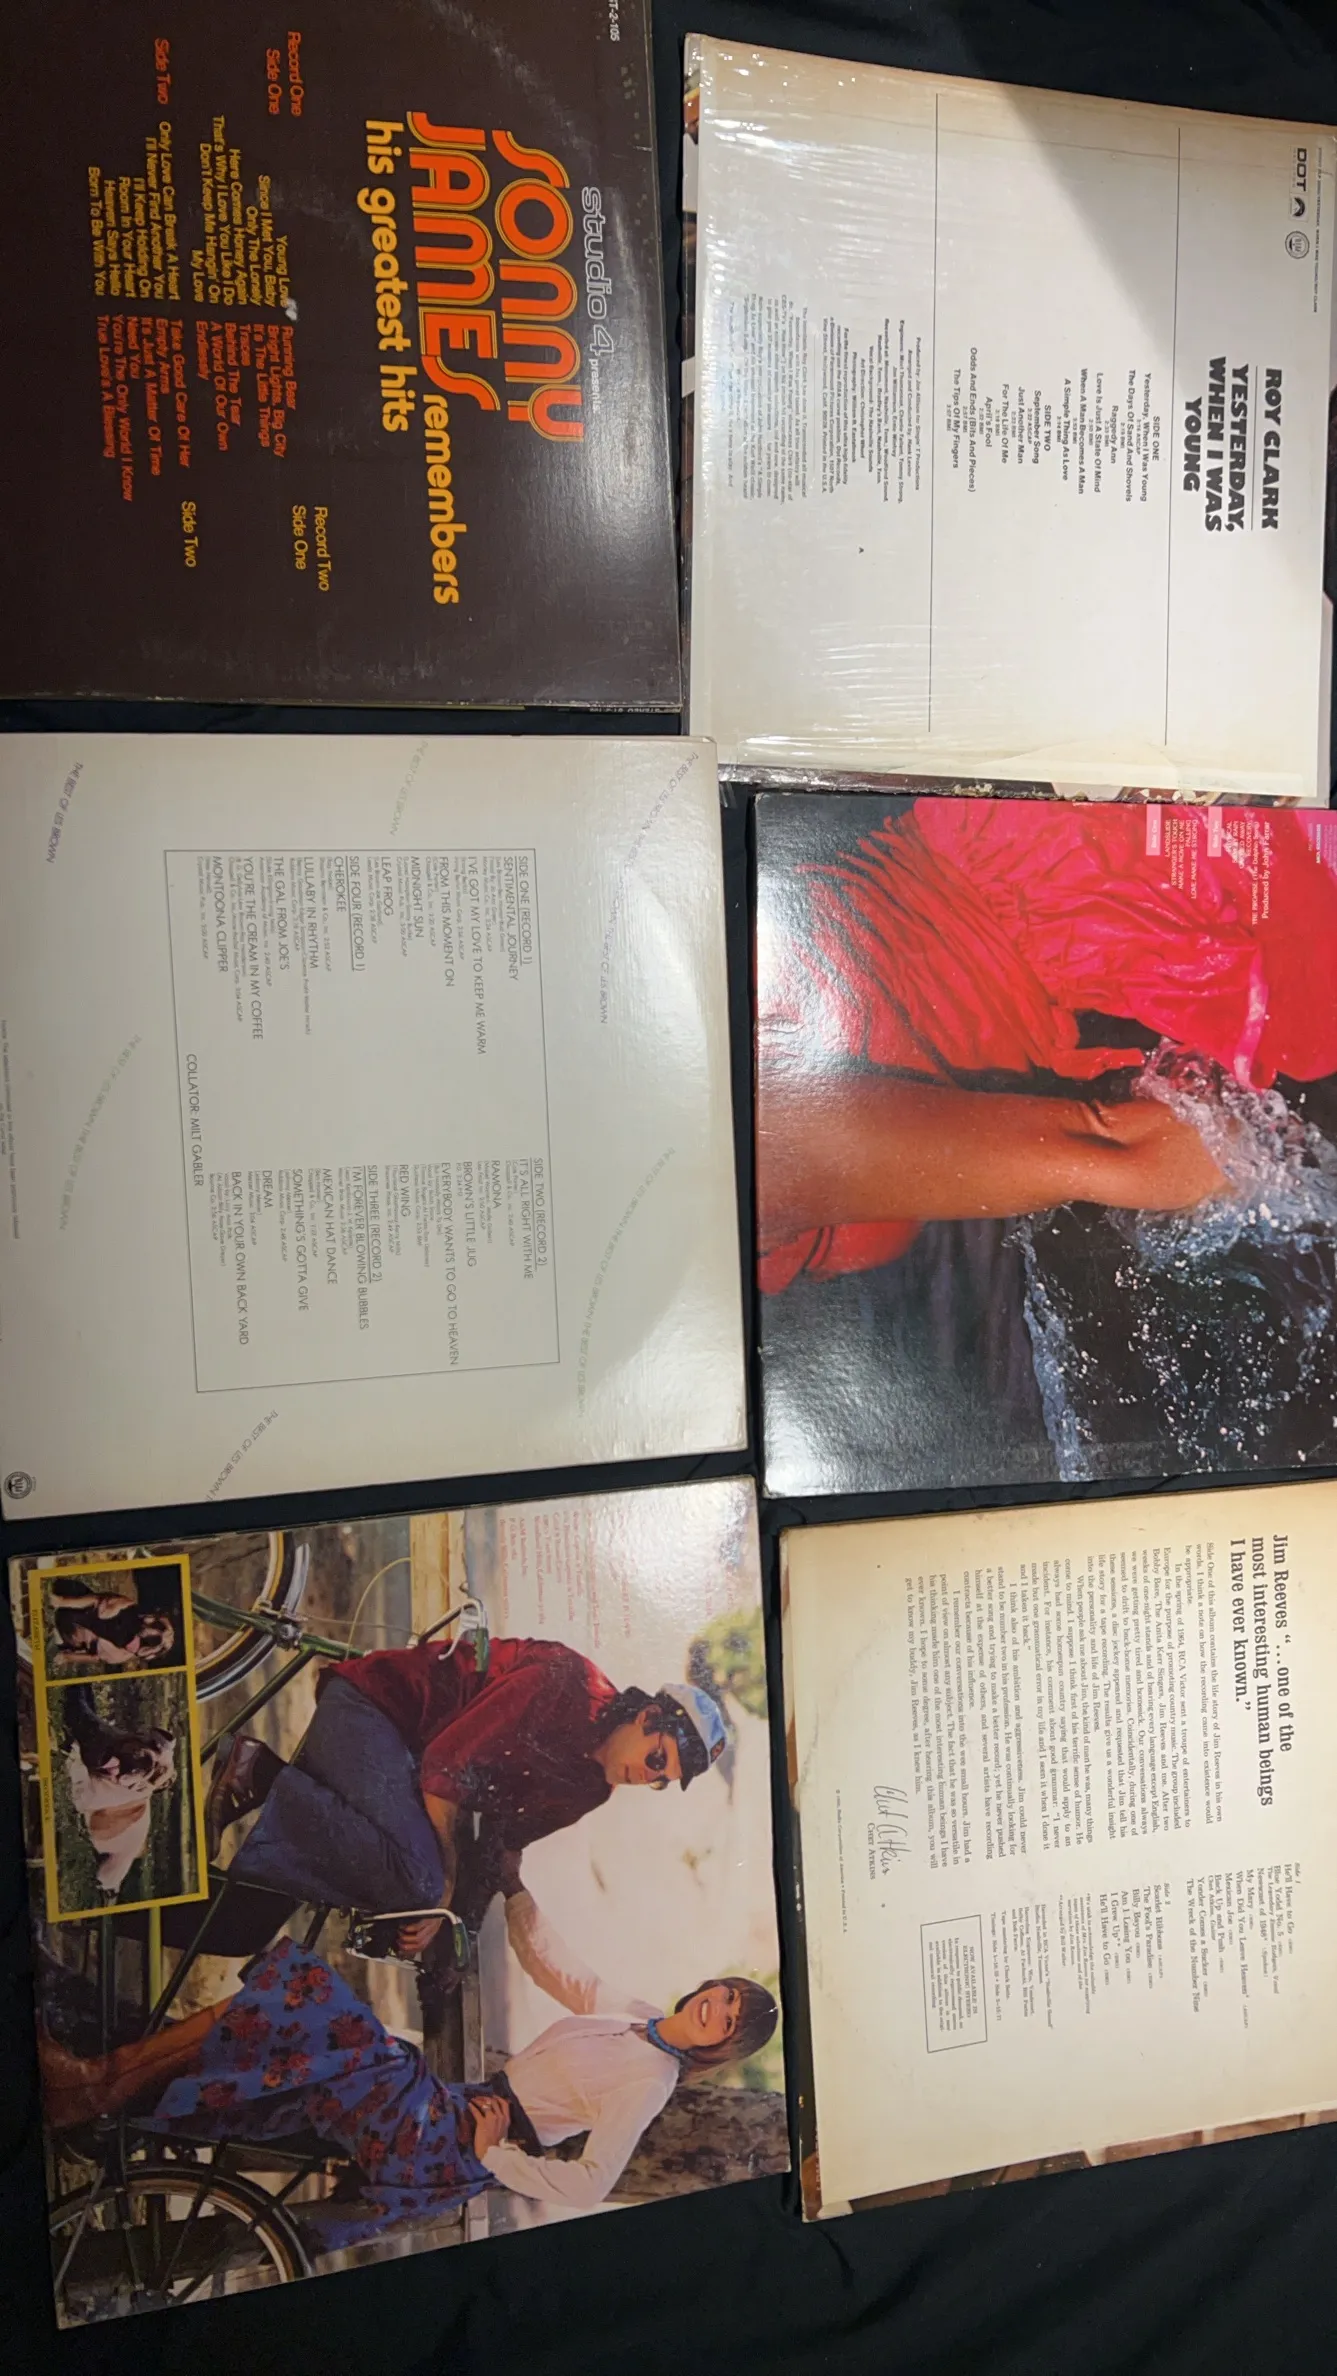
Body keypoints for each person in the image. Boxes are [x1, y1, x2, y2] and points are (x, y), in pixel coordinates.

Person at [758, 798, 1337, 1291]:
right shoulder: (749, 1244)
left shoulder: (747, 1174)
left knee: (1312, 1014)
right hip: (1047, 908)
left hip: (1053, 879)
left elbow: (1137, 1150)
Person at [37, 1933, 779, 2242]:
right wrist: (508, 1881)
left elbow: (589, 2184)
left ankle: (101, 2085)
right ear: (710, 1985)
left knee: (318, 2002)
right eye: (724, 1995)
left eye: (728, 2022)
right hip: (444, 2107)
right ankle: (107, 2088)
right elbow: (564, 1967)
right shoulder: (636, 2017)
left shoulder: (650, 2081)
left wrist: (494, 2156)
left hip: (445, 2149)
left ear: (723, 2045)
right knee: (305, 2032)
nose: (715, 2010)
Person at [202, 1635, 730, 1955]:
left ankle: (155, 1893)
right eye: (657, 1759)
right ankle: (260, 1774)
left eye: (661, 1780)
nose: (646, 1777)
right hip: (371, 1712)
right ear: (648, 1716)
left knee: (242, 1927)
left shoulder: (591, 1790)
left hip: (399, 1776)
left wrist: (459, 1927)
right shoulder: (567, 1683)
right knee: (423, 1882)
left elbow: (502, 1845)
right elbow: (445, 1768)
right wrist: (443, 1895)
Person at [61, 1686, 177, 1896]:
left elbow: (81, 1798)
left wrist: (75, 1755)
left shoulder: (115, 1792)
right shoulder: (135, 1776)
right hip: (125, 1774)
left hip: (117, 1838)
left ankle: (112, 1886)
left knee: (110, 1875)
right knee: (95, 1727)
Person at [47, 1578, 177, 1673]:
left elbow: (95, 1657)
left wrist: (67, 1657)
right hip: (73, 1605)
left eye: (157, 1643)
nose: (155, 1635)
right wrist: (62, 1602)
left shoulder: (122, 1654)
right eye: (159, 1629)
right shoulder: (127, 1607)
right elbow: (96, 1600)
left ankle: (61, 1636)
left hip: (69, 1633)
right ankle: (60, 1605)